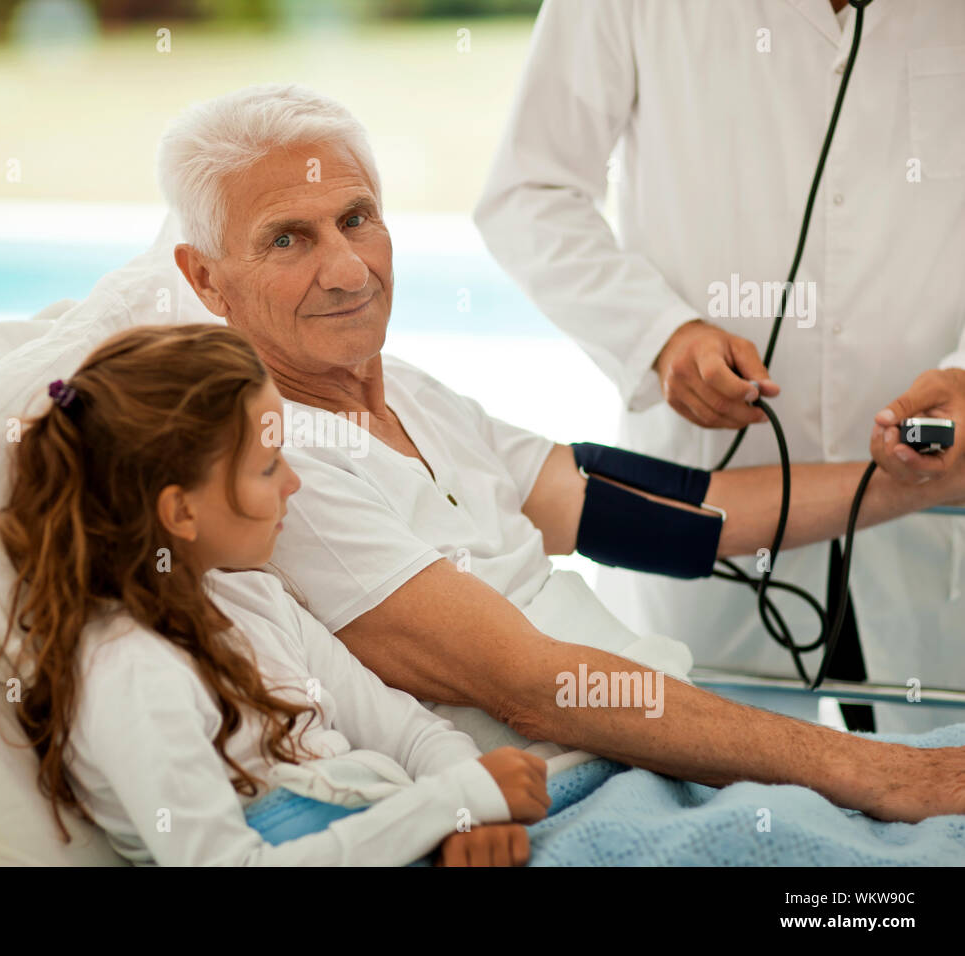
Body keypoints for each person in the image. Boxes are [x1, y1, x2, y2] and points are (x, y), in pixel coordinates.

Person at [159, 82, 965, 822]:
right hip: (568, 799)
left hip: (650, 759)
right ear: (206, 279)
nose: (346, 269)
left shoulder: (407, 392)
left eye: (357, 218)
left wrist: (915, 482)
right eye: (288, 240)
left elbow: (676, 516)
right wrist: (878, 772)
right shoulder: (279, 467)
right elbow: (537, 690)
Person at [473, 0, 965, 733]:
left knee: (942, 796)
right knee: (715, 795)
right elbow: (527, 192)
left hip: (938, 517)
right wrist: (659, 334)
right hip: (714, 512)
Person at [0, 322, 548, 866]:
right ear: (182, 511)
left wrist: (471, 815)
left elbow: (409, 732)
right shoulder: (131, 673)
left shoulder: (255, 599)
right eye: (268, 465)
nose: (293, 482)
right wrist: (452, 802)